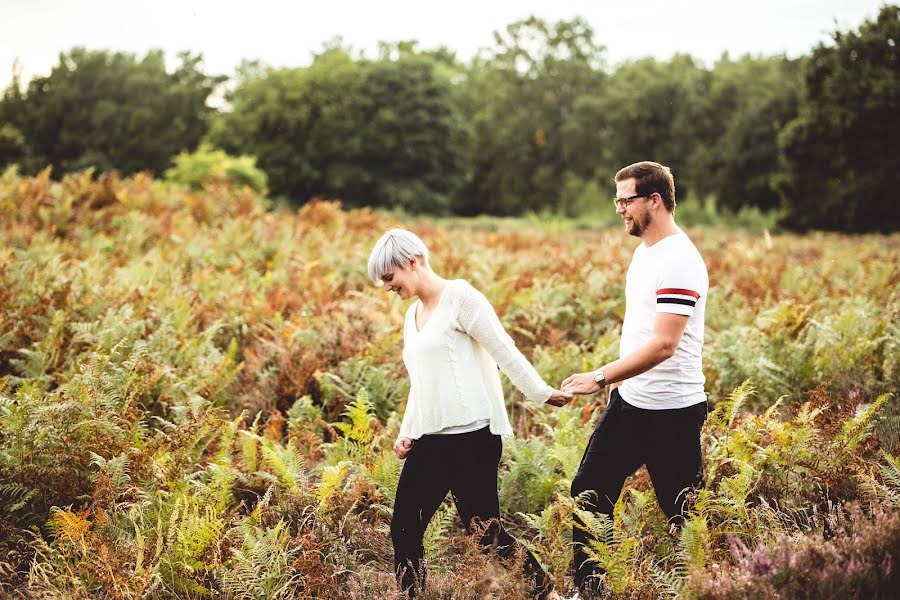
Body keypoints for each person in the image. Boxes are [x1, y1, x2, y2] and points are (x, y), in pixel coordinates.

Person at [367, 227, 572, 600]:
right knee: (404, 529)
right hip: (430, 442)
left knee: (487, 535)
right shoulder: (412, 315)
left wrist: (542, 393)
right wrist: (407, 430)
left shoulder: (460, 297)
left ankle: (550, 595)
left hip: (472, 441)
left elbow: (503, 349)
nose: (386, 287)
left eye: (389, 277)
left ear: (412, 262)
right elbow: (422, 382)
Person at [559, 161, 710, 597]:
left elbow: (664, 344)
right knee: (589, 491)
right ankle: (591, 592)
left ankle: (707, 587)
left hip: (672, 412)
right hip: (632, 404)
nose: (619, 209)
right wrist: (621, 387)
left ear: (655, 200)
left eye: (626, 200)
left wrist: (601, 377)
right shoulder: (645, 253)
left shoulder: (680, 261)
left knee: (684, 516)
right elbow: (641, 331)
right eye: (618, 200)